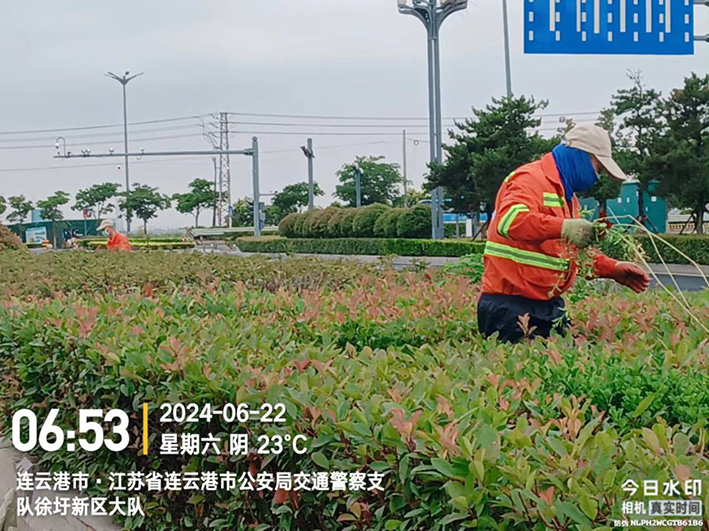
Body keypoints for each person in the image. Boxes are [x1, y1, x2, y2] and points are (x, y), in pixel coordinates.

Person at [478, 124, 650, 343]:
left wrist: (612, 268)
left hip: (547, 305)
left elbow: (567, 253)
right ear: (581, 156)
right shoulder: (529, 178)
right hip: (509, 308)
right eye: (599, 169)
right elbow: (509, 221)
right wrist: (564, 227)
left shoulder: (568, 199)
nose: (597, 178)